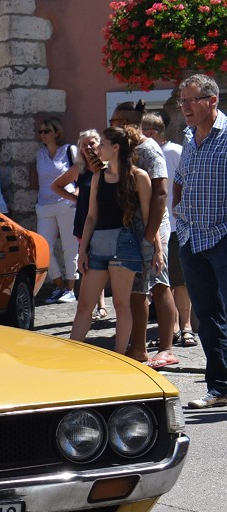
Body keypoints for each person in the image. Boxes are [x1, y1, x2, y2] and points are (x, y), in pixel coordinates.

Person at [70, 126, 152, 356]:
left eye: (103, 143)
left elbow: (147, 218)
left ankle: (119, 356)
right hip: (98, 243)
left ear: (115, 148)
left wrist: (156, 249)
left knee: (120, 304)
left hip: (124, 243)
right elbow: (91, 216)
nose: (98, 148)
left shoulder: (138, 176)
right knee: (85, 304)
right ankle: (70, 353)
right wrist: (83, 250)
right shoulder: (98, 176)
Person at [173, 74, 227, 408]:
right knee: (207, 317)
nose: (186, 108)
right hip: (191, 238)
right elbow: (179, 178)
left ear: (212, 101)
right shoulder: (189, 139)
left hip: (222, 237)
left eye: (191, 100)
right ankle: (220, 387)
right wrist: (179, 212)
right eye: (183, 101)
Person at [112, 101, 178, 368]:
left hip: (152, 226)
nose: (111, 125)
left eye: (115, 121)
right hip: (133, 226)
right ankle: (138, 346)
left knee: (158, 284)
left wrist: (151, 235)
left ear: (127, 122)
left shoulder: (149, 149)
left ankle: (165, 348)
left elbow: (161, 192)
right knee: (139, 288)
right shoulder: (125, 148)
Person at [143, 111, 196, 349]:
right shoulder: (145, 155)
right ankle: (172, 328)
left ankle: (185, 327)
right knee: (163, 282)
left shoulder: (173, 151)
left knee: (179, 281)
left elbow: (186, 181)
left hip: (175, 227)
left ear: (152, 132)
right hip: (156, 228)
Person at [50, 129, 110, 319]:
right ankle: (95, 306)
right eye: (84, 144)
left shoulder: (108, 167)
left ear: (99, 144)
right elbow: (55, 185)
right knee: (90, 264)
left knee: (106, 264)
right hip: (84, 221)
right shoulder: (79, 169)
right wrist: (75, 199)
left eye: (91, 143)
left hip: (107, 221)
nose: (87, 147)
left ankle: (102, 305)